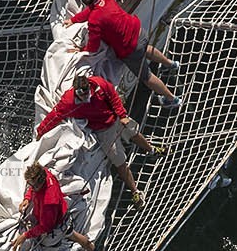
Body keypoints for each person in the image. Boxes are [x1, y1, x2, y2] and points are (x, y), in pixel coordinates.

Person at [36, 70, 162, 210]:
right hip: (103, 131)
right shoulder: (69, 101)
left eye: (85, 94)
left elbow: (113, 97)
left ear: (89, 87)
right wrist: (40, 131)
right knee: (119, 162)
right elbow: (55, 115)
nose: (83, 97)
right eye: (80, 95)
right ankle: (135, 192)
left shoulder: (99, 84)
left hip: (116, 119)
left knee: (134, 133)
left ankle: (152, 150)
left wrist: (122, 115)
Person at [62, 0, 180, 112]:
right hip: (139, 32)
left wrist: (81, 50)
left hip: (131, 49)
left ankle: (171, 99)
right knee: (147, 49)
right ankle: (171, 64)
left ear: (85, 1)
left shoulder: (94, 21)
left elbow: (93, 46)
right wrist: (74, 20)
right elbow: (92, 10)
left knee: (147, 77)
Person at [11, 161, 105, 251]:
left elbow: (46, 227)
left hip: (55, 229)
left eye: (32, 185)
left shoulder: (49, 202)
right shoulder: (45, 173)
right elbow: (32, 188)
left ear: (39, 183)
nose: (30, 187)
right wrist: (27, 198)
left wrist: (25, 236)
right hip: (64, 218)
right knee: (74, 235)